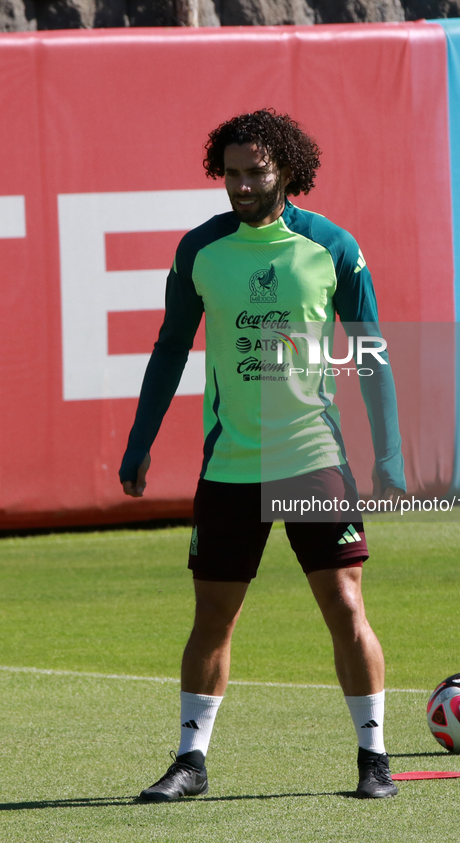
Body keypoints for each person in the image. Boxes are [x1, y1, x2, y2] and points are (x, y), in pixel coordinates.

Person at [120, 109, 406, 801]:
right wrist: (139, 440)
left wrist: (389, 454)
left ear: (287, 171)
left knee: (343, 602)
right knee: (212, 617)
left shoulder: (332, 248)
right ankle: (190, 761)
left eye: (256, 172)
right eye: (231, 174)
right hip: (230, 467)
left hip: (312, 458)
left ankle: (373, 760)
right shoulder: (199, 251)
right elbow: (168, 350)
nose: (241, 186)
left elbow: (371, 354)